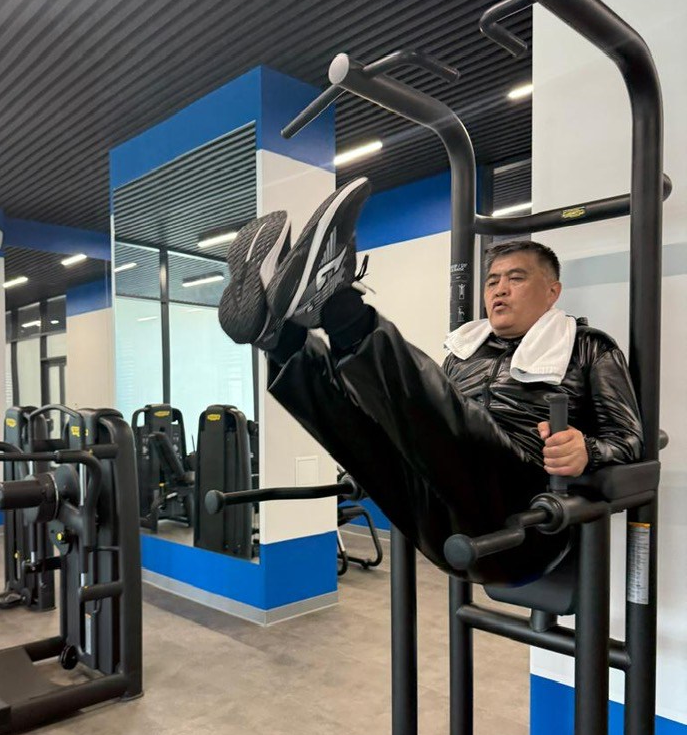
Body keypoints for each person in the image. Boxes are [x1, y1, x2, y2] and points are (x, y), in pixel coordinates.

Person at [218, 177, 643, 585]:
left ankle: (338, 306)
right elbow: (423, 422)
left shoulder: (588, 347)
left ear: (552, 292)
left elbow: (629, 440)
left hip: (525, 527)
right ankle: (282, 340)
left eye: (516, 278)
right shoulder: (466, 350)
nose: (499, 289)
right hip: (441, 527)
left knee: (450, 417)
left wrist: (586, 451)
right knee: (365, 431)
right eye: (492, 280)